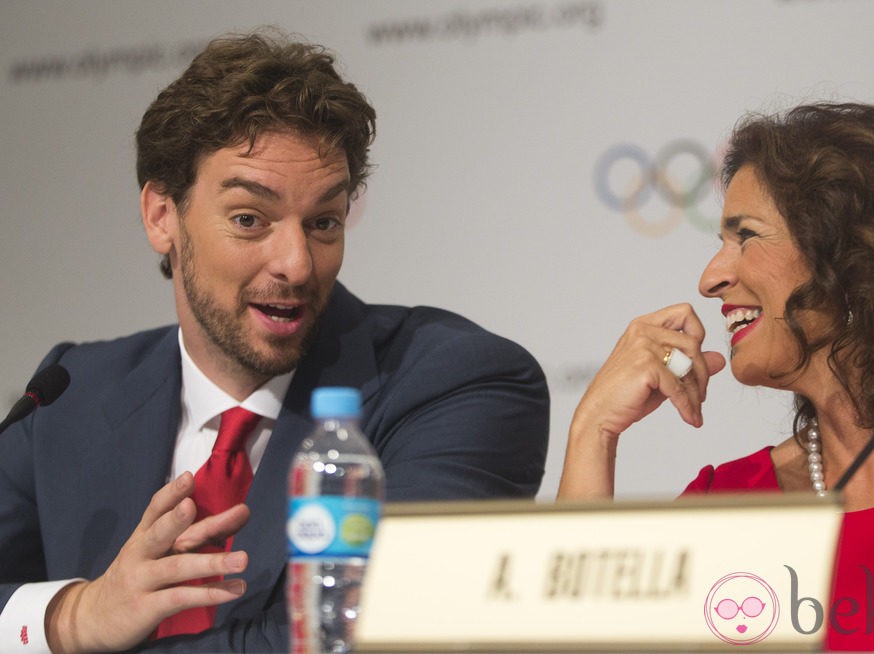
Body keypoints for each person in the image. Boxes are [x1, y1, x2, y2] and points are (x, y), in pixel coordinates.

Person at [0, 29, 549, 653]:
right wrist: (74, 618)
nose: (296, 263)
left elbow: (356, 631)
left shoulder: (457, 383)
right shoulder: (68, 396)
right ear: (161, 216)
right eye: (248, 220)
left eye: (323, 222)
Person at [558, 102, 874, 649]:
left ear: (861, 252)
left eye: (747, 236)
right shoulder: (728, 504)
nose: (711, 279)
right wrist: (593, 432)